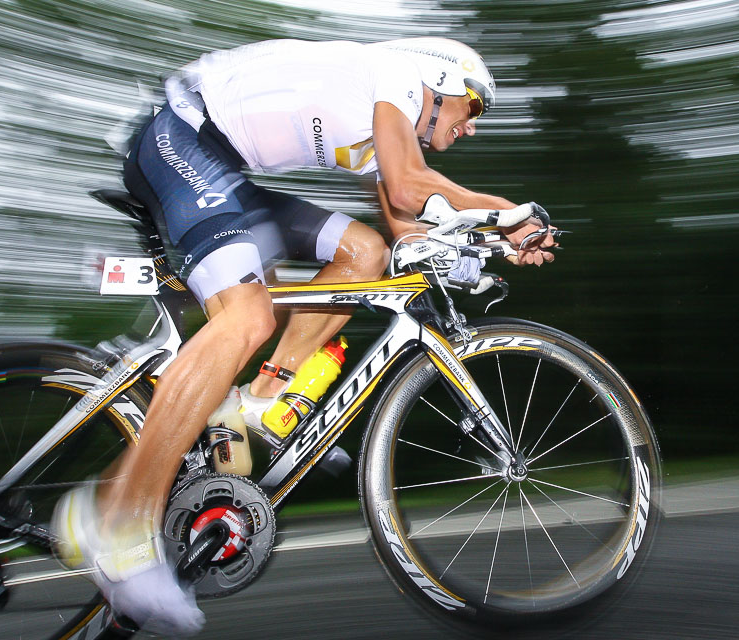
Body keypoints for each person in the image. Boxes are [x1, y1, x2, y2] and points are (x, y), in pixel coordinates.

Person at [53, 37, 556, 635]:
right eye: (473, 109)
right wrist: (506, 210)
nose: (472, 128)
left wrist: (494, 238)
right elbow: (408, 187)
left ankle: (264, 399)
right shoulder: (396, 74)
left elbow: (401, 230)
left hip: (218, 168)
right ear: (441, 83)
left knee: (362, 253)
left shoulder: (385, 134)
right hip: (179, 140)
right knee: (246, 317)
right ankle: (118, 520)